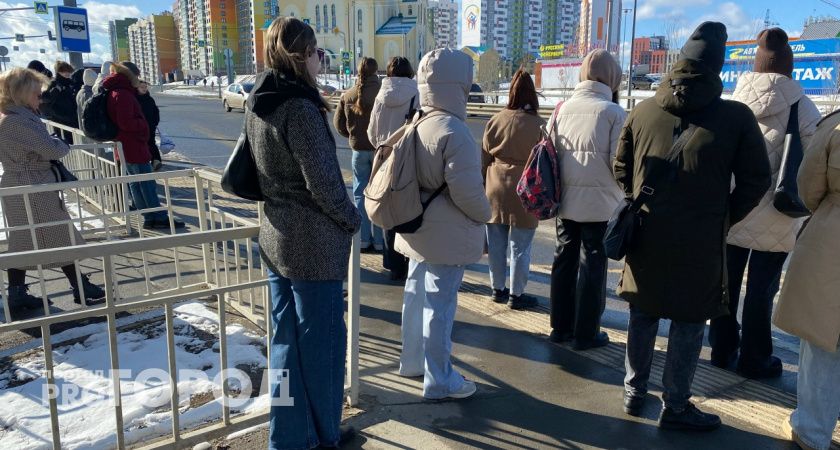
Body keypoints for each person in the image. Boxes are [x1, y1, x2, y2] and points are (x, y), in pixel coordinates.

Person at [614, 22, 771, 430]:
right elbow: (757, 180)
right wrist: (724, 216)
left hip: (645, 235)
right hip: (701, 242)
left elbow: (621, 166)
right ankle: (677, 405)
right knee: (688, 320)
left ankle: (634, 391)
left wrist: (636, 203)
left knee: (643, 312)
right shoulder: (736, 118)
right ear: (717, 67)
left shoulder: (643, 109)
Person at [248, 17, 360, 449]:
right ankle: (325, 437)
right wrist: (352, 219)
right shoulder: (300, 107)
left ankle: (291, 438)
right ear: (304, 54)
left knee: (285, 348)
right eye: (317, 53)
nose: (320, 61)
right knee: (323, 350)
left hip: (275, 238)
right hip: (312, 246)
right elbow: (324, 186)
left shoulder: (261, 100)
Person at [709, 28, 821, 379]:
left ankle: (722, 347)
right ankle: (755, 358)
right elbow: (815, 160)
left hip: (736, 208)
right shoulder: (802, 107)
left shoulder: (733, 103)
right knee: (761, 289)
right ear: (788, 68)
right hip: (779, 211)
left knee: (725, 282)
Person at [395, 48, 492, 400]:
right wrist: (487, 213)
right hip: (445, 235)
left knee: (414, 296)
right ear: (458, 85)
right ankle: (440, 380)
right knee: (440, 307)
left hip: (413, 224)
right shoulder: (455, 130)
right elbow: (467, 193)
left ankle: (411, 362)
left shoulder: (417, 120)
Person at [0, 68, 105, 309]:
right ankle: (77, 287)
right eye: (36, 94)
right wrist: (60, 143)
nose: (41, 98)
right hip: (32, 185)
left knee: (33, 237)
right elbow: (52, 149)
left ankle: (23, 292)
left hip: (28, 183)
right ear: (21, 93)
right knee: (48, 235)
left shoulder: (12, 117)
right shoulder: (17, 121)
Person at [547, 49, 627, 350]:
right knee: (593, 264)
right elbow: (619, 164)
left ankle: (559, 327)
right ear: (612, 78)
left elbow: (552, 155)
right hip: (600, 205)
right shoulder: (614, 113)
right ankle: (586, 333)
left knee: (563, 259)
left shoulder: (561, 109)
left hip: (564, 200)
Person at [773, 110, 840, 450]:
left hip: (833, 243)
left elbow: (808, 187)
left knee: (824, 339)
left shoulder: (835, 127)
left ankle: (813, 430)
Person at [481, 69, 545, 310]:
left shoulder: (495, 119)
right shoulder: (540, 124)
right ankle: (516, 295)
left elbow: (484, 157)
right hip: (526, 189)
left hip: (495, 185)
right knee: (521, 246)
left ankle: (497, 289)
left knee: (495, 243)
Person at [102, 63, 183, 230]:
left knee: (136, 183)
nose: (138, 80)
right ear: (130, 75)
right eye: (137, 76)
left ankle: (149, 217)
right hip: (133, 145)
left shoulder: (115, 91)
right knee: (145, 183)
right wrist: (142, 124)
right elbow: (126, 122)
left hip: (126, 145)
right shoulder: (123, 94)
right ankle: (157, 217)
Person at [367, 56, 418, 281]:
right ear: (410, 73)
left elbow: (371, 132)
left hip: (384, 158)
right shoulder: (417, 94)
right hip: (408, 158)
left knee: (387, 208)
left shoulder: (380, 95)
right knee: (409, 205)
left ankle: (393, 264)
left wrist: (382, 146)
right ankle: (410, 259)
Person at [334, 57, 383, 253]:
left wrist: (353, 136)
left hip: (358, 151)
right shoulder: (383, 94)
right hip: (380, 151)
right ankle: (380, 241)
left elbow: (339, 125)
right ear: (376, 71)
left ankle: (363, 239)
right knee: (379, 194)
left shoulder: (348, 95)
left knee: (360, 195)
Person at [40, 61, 79, 130]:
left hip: (73, 119)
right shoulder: (53, 84)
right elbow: (46, 99)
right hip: (60, 121)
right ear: (58, 71)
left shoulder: (71, 83)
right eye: (64, 71)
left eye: (68, 71)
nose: (67, 73)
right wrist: (56, 90)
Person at [136, 81, 162, 171]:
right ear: (137, 88)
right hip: (139, 127)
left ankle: (156, 161)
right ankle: (146, 162)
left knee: (151, 143)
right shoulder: (134, 99)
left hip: (150, 126)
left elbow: (156, 111)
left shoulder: (150, 99)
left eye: (145, 87)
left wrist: (155, 122)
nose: (144, 89)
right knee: (143, 144)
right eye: (141, 87)